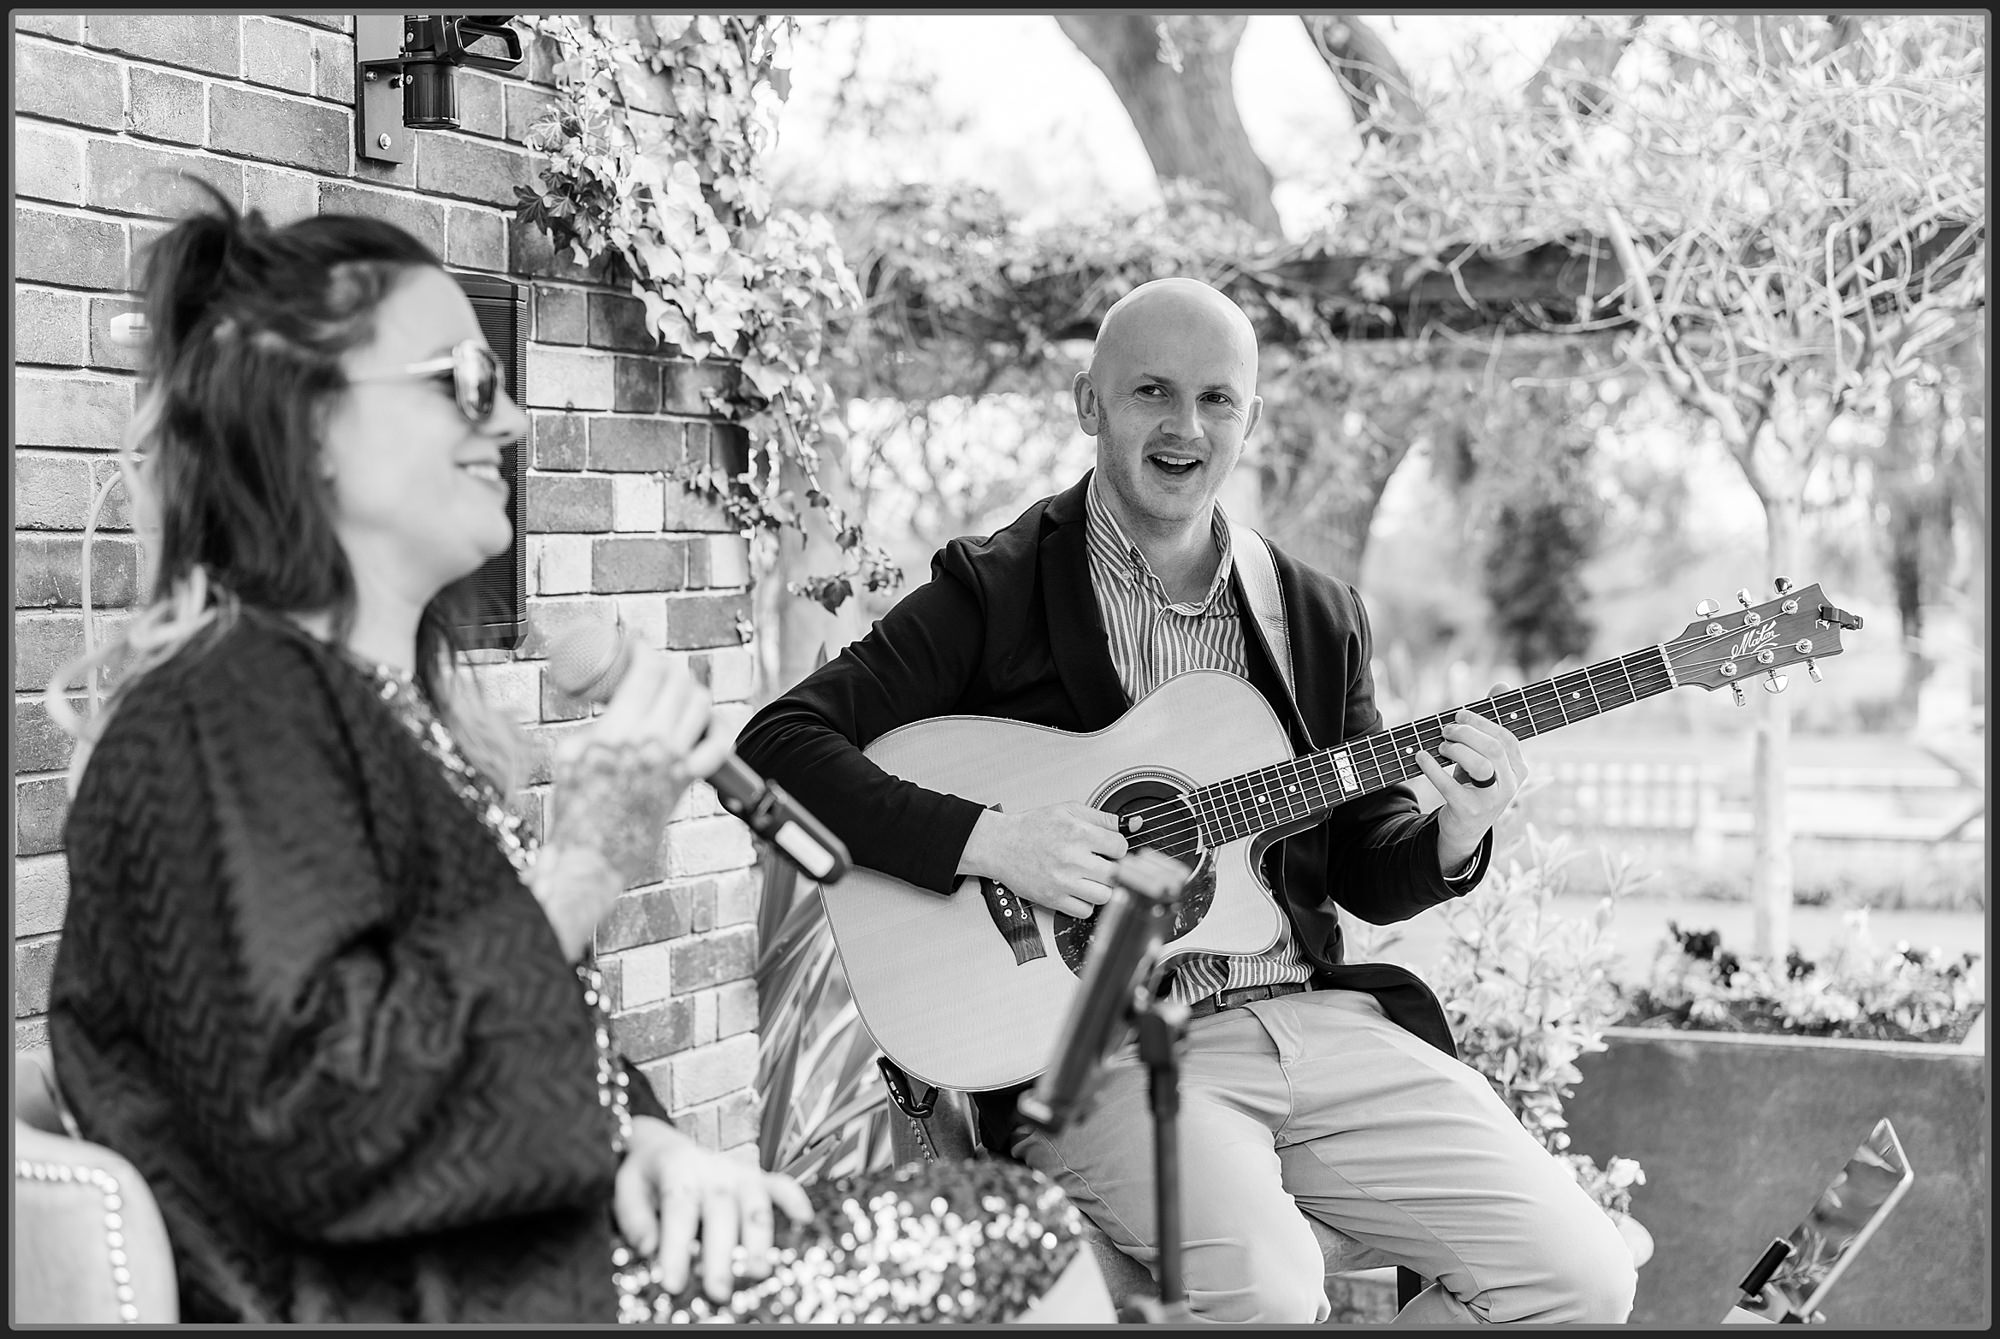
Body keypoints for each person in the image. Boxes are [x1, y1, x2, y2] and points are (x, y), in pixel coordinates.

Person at [43, 184, 1110, 1326]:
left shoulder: (363, 710)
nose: (505, 422)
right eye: (460, 381)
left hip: (541, 1263)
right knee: (1022, 1237)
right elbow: (318, 1117)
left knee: (1014, 1223)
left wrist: (642, 1142)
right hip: (432, 1304)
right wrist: (580, 868)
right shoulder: (224, 710)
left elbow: (488, 1034)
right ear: (308, 422)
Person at [734, 277, 1640, 1323]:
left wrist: (1455, 827)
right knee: (1261, 1292)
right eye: (1151, 393)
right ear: (1088, 403)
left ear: (1248, 418)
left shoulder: (1312, 612)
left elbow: (1356, 860)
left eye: (1217, 400)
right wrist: (993, 840)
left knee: (1578, 1275)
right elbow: (778, 742)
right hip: (1109, 1048)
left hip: (1312, 1023)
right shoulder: (997, 590)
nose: (1184, 426)